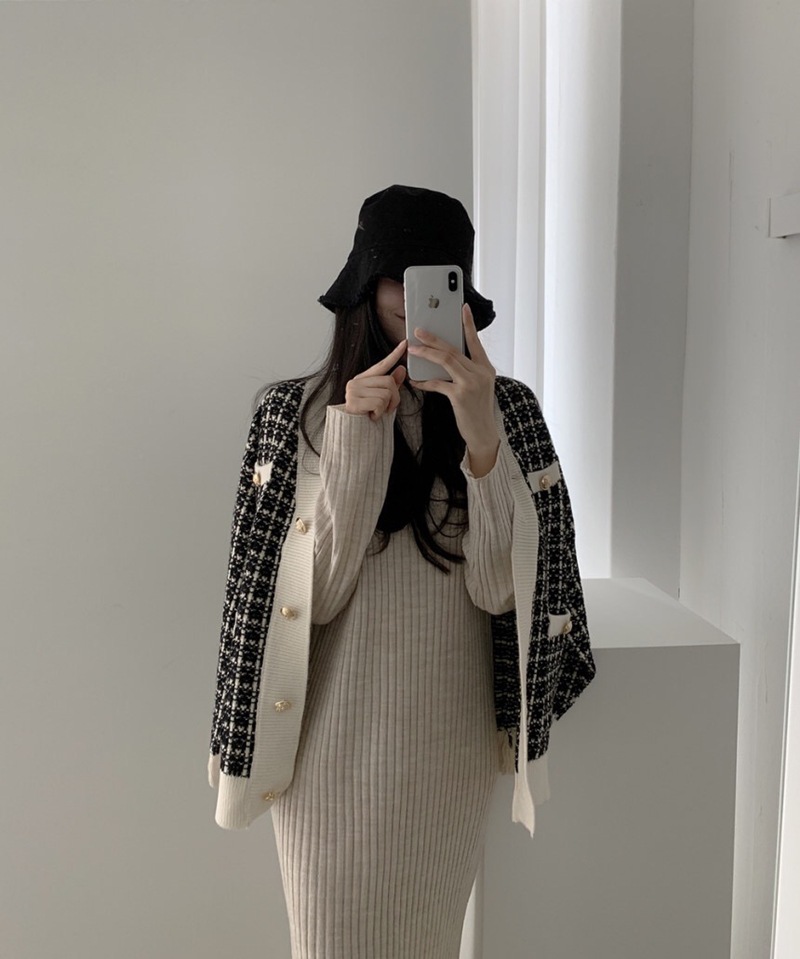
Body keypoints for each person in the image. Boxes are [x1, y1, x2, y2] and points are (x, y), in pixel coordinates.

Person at [207, 184, 596, 958]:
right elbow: (313, 598)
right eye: (399, 277)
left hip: (447, 752)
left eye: (437, 278)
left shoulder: (509, 410)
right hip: (326, 754)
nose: (410, 299)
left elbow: (499, 589)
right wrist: (356, 438)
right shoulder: (295, 413)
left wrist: (481, 439)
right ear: (364, 282)